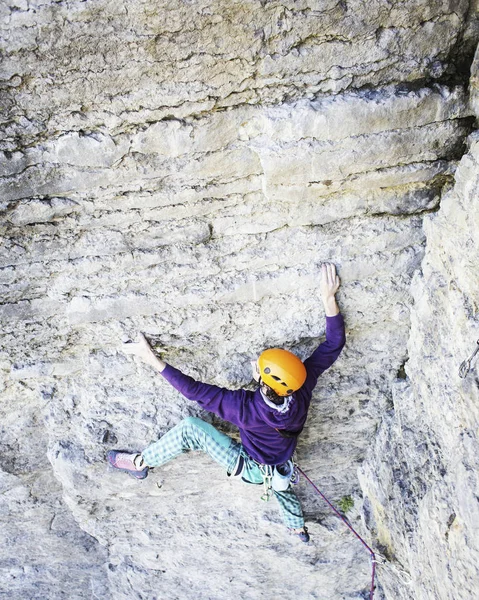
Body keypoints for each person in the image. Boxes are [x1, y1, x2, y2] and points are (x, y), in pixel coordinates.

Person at [108, 263, 345, 542]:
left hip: (251, 465)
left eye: (258, 367)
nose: (255, 365)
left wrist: (152, 360)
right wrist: (328, 299)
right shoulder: (302, 387)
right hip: (280, 460)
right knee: (281, 487)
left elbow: (194, 390)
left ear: (263, 381)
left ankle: (141, 463)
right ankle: (297, 528)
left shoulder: (245, 410)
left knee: (190, 429)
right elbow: (333, 345)